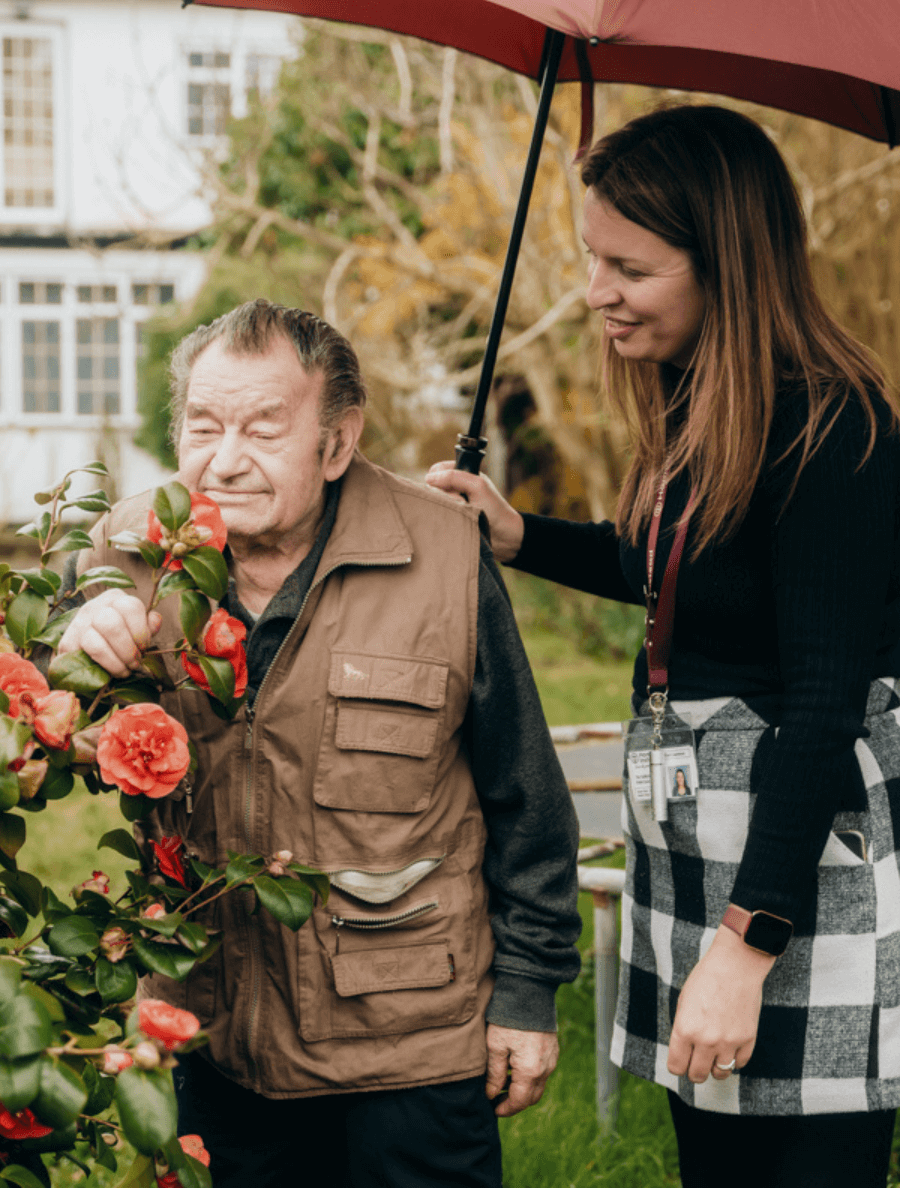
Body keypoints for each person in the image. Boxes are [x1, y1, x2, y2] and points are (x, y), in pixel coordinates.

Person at [428, 105, 900, 1188]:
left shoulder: (829, 427)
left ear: (726, 261)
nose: (594, 291)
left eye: (629, 266)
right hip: (694, 837)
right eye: (587, 259)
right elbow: (675, 572)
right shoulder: (703, 395)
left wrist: (745, 945)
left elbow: (820, 705)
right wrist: (516, 533)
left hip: (802, 848)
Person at [59, 300, 580, 1188]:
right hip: (214, 1033)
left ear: (338, 443)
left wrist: (528, 992)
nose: (225, 460)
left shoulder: (446, 554)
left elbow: (525, 793)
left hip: (410, 1045)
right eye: (203, 425)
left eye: (264, 428)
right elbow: (28, 720)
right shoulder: (128, 548)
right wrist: (69, 646)